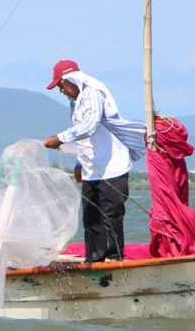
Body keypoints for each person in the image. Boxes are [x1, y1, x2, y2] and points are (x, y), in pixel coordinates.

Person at [43, 59, 146, 263]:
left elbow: (90, 125)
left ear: (70, 79)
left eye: (61, 85)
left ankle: (116, 258)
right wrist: (80, 164)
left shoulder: (92, 91)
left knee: (111, 215)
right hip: (92, 167)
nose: (61, 90)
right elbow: (85, 137)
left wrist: (60, 138)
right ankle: (94, 260)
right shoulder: (75, 101)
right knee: (91, 218)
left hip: (112, 165)